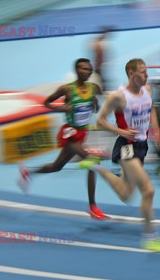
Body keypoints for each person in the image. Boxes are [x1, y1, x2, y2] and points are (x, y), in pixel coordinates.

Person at [78, 58, 160, 252]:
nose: (146, 75)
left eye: (147, 71)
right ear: (131, 74)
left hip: (142, 146)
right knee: (148, 190)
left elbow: (151, 108)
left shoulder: (148, 90)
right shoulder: (118, 96)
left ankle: (95, 166)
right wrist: (121, 132)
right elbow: (100, 121)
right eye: (142, 72)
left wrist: (156, 129)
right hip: (126, 147)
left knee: (125, 194)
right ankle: (151, 236)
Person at [17, 58, 107, 220]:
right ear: (77, 70)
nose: (87, 72)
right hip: (70, 134)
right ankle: (92, 206)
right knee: (93, 161)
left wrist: (95, 104)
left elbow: (96, 106)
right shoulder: (67, 89)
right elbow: (46, 103)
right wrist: (62, 108)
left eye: (90, 70)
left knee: (56, 166)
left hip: (82, 133)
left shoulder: (94, 88)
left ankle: (28, 173)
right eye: (84, 69)